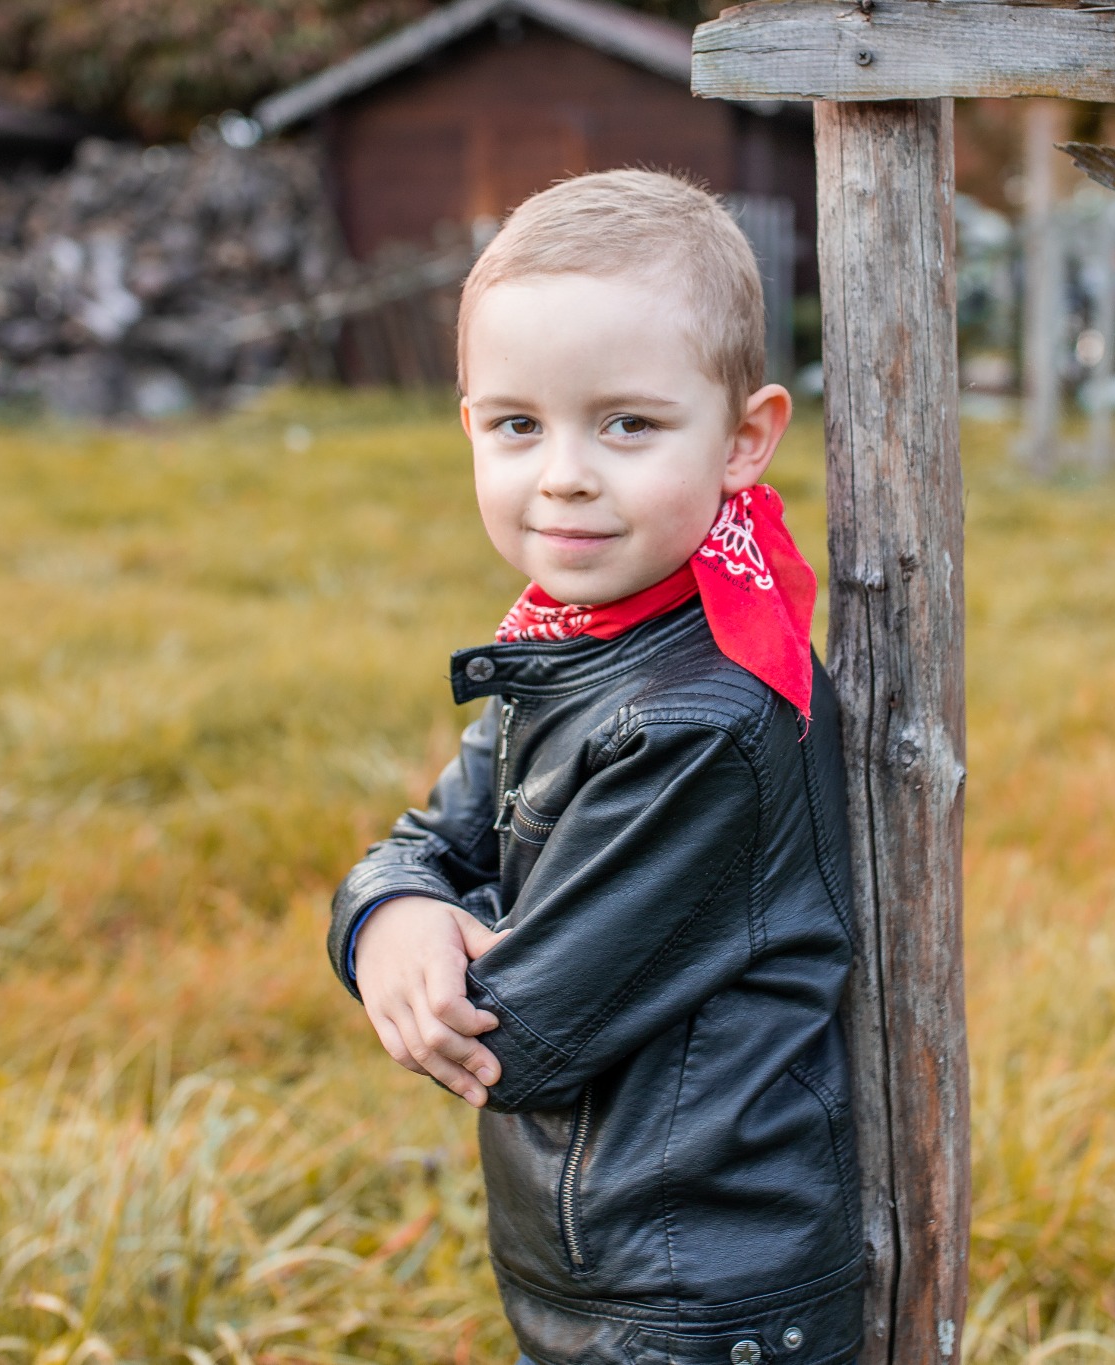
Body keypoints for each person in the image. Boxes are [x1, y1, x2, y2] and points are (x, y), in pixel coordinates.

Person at [327, 171, 861, 1365]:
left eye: (626, 423)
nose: (564, 472)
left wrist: (423, 931)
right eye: (519, 423)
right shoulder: (570, 647)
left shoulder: (704, 716)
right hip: (606, 1268)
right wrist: (387, 915)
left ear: (743, 440)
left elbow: (515, 1034)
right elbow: (432, 837)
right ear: (469, 425)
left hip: (696, 1298)